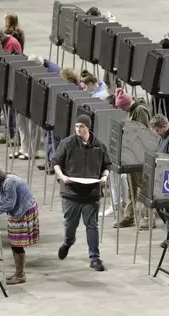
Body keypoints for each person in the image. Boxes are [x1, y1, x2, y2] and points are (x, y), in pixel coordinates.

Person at [52, 114, 111, 272]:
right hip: (71, 192)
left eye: (82, 127)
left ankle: (95, 258)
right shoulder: (67, 144)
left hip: (91, 193)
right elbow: (56, 162)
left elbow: (107, 165)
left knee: (92, 225)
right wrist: (62, 176)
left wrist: (104, 176)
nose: (78, 129)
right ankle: (68, 242)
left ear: (88, 128)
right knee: (71, 225)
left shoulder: (99, 145)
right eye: (76, 126)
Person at [0, 167, 39, 284]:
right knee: (14, 243)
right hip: (18, 211)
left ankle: (20, 275)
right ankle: (18, 272)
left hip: (24, 211)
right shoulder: (4, 182)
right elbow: (3, 200)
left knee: (17, 244)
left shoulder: (9, 182)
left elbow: (10, 204)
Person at [111, 88, 153, 228]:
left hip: (141, 156)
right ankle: (129, 216)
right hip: (132, 155)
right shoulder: (131, 111)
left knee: (143, 187)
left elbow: (143, 131)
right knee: (132, 187)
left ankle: (148, 218)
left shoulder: (141, 110)